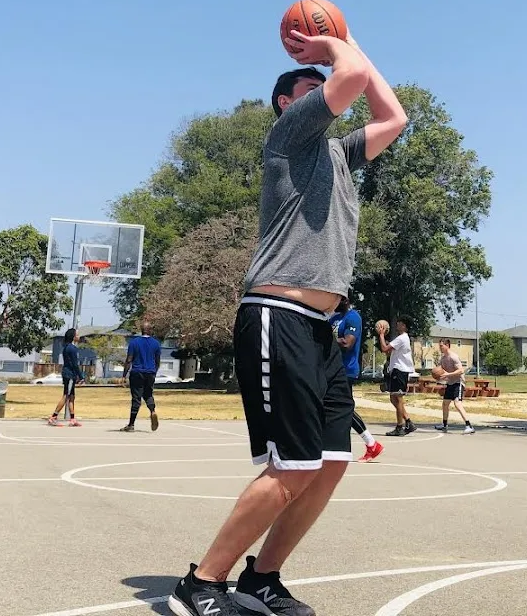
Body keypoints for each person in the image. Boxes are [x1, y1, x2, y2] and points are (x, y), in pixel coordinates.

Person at [168, 30, 406, 616]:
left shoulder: (340, 154)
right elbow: (348, 82)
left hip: (323, 329)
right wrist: (332, 46)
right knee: (290, 466)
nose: (324, 86)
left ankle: (263, 578)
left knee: (327, 466)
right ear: (288, 102)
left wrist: (348, 40)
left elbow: (394, 116)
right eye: (311, 85)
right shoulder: (290, 137)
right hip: (280, 317)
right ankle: (201, 583)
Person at [332, 299, 383, 462]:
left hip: (345, 370)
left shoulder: (353, 317)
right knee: (329, 406)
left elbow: (347, 343)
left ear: (345, 300)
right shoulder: (333, 318)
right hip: (330, 368)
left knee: (343, 408)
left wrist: (325, 337)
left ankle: (372, 444)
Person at [121, 321, 161, 432]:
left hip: (137, 372)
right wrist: (154, 371)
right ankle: (152, 411)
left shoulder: (134, 343)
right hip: (150, 372)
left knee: (136, 398)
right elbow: (157, 361)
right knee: (148, 394)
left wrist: (124, 375)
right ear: (150, 330)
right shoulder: (156, 344)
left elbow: (129, 360)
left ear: (141, 330)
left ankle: (131, 424)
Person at [378, 319, 416, 437]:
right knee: (393, 398)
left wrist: (381, 335)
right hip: (397, 370)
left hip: (400, 371)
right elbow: (389, 351)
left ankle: (400, 426)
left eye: (399, 323)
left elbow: (384, 349)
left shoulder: (402, 338)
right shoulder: (402, 338)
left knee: (398, 399)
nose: (397, 325)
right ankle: (408, 422)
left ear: (404, 326)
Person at [433, 338, 475, 434]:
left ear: (447, 345)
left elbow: (461, 370)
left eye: (441, 346)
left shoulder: (453, 357)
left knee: (457, 404)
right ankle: (444, 425)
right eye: (439, 346)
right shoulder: (443, 359)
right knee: (445, 403)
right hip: (450, 383)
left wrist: (448, 375)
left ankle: (469, 426)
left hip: (458, 382)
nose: (440, 348)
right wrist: (440, 377)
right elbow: (442, 372)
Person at [49, 328, 83, 427]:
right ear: (73, 336)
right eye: (77, 334)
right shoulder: (71, 348)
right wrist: (81, 377)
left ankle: (72, 419)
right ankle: (53, 417)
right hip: (69, 375)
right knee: (66, 396)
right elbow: (75, 364)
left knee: (72, 396)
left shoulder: (68, 347)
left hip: (70, 374)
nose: (79, 336)